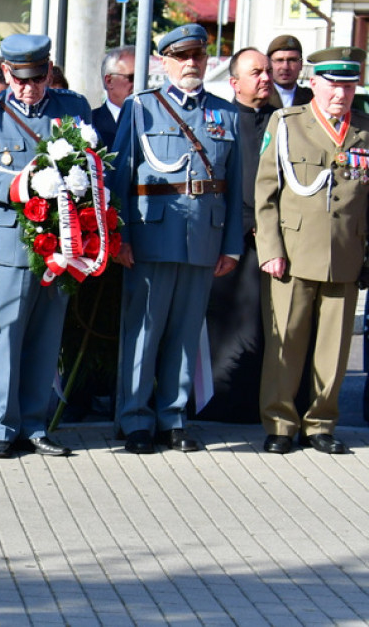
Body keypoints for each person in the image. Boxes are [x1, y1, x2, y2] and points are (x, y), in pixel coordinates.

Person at [110, 23, 243, 454]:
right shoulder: (141, 108)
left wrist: (232, 244)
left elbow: (236, 185)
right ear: (164, 61)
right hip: (151, 235)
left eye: (198, 56)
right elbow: (121, 178)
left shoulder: (226, 114)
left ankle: (174, 416)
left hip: (203, 237)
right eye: (181, 57)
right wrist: (122, 236)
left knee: (186, 333)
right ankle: (134, 419)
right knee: (143, 331)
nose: (191, 64)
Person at [0, 34, 90, 459]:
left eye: (36, 79)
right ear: (6, 75)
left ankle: (35, 424)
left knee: (47, 336)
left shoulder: (73, 109)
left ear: (48, 72)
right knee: (7, 336)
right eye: (18, 79)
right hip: (10, 239)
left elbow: (94, 166)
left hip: (65, 241)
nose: (27, 88)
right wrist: (22, 185)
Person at [255, 47, 369, 455]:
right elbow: (266, 191)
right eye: (332, 83)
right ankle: (281, 423)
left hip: (345, 253)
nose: (340, 92)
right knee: (285, 341)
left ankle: (321, 423)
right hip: (294, 251)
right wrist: (270, 248)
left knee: (334, 348)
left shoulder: (365, 130)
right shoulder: (288, 123)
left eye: (348, 84)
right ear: (313, 83)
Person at [199, 48, 275, 423]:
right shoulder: (221, 119)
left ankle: (255, 404)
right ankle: (218, 405)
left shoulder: (281, 121)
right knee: (226, 328)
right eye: (256, 72)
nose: (265, 78)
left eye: (268, 71)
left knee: (262, 328)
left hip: (272, 245)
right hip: (232, 242)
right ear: (235, 83)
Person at [93, 46, 136, 148]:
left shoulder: (154, 122)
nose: (138, 84)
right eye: (131, 78)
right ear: (109, 81)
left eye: (143, 77)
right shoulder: (89, 124)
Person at [266, 35, 313, 110]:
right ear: (269, 64)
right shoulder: (261, 97)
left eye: (292, 60)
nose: (285, 67)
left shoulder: (312, 99)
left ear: (301, 64)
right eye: (279, 60)